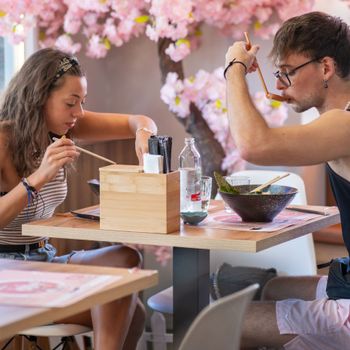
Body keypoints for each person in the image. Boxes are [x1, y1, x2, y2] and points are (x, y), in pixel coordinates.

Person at [0, 48, 158, 350]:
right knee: (132, 310)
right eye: (71, 103)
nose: (79, 114)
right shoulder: (2, 140)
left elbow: (138, 120)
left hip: (44, 259)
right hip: (7, 271)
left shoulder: (66, 124)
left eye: (82, 103)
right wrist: (37, 178)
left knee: (125, 258)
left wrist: (144, 133)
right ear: (39, 98)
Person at [224, 11, 350, 350]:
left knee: (220, 320)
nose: (278, 85)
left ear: (325, 68)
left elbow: (254, 144)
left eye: (287, 73)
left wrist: (234, 69)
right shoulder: (335, 123)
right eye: (277, 74)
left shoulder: (344, 125)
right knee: (265, 288)